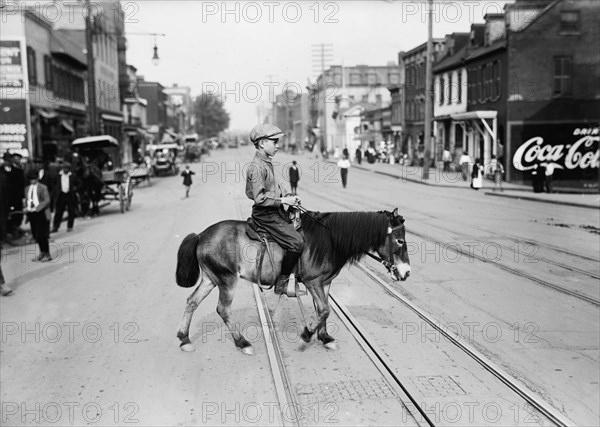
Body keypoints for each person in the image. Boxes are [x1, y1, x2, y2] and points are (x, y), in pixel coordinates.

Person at [246, 123, 303, 296]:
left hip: (274, 211)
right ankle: (282, 283)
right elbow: (260, 199)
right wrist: (284, 200)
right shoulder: (256, 167)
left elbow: (277, 184)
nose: (278, 145)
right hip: (265, 214)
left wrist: (290, 197)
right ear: (262, 143)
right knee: (297, 243)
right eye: (274, 142)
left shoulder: (266, 163)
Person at [24, 169, 52, 262]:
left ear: (37, 178)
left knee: (42, 234)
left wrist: (37, 208)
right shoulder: (27, 189)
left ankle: (47, 254)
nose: (33, 181)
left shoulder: (43, 187)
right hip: (32, 214)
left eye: (34, 179)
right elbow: (27, 200)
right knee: (36, 235)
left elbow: (47, 200)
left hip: (41, 213)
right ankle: (42, 252)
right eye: (31, 179)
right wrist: (26, 208)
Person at [52, 163, 79, 232]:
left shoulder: (72, 175)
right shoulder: (58, 176)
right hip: (61, 195)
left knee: (71, 211)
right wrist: (56, 191)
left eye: (67, 168)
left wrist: (75, 188)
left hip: (70, 195)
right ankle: (55, 226)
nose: (65, 170)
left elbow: (79, 183)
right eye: (64, 168)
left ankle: (70, 226)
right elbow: (53, 184)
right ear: (62, 168)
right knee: (59, 212)